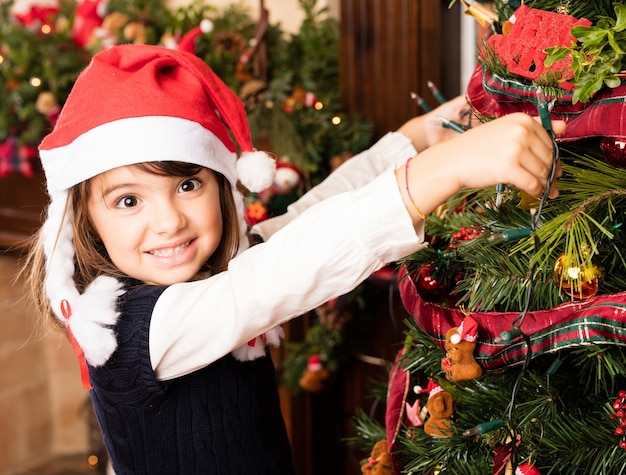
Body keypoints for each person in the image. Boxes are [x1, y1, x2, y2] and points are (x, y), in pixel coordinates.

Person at [25, 44, 564, 474]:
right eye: (129, 200)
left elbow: (310, 217)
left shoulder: (219, 269)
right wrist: (441, 173)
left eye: (187, 184)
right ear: (84, 219)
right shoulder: (128, 328)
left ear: (221, 185)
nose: (169, 221)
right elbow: (280, 275)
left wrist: (417, 139)